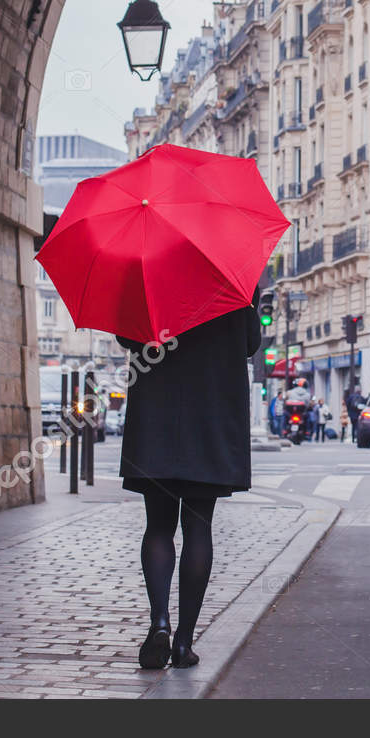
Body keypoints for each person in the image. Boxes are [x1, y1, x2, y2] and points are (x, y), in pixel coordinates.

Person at [117, 286, 262, 671]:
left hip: (157, 413)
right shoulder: (234, 277)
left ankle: (160, 622)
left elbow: (126, 337)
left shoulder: (145, 273)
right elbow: (250, 344)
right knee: (198, 527)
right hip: (210, 416)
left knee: (158, 526)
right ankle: (183, 643)